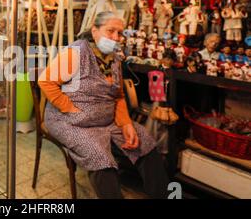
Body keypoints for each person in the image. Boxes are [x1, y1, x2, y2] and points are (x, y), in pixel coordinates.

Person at [38, 12, 169, 199]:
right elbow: (46, 81)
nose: (116, 37)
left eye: (119, 33)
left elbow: (119, 95)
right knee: (101, 159)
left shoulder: (114, 57)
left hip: (107, 119)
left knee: (145, 142)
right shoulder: (76, 53)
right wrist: (69, 108)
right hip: (71, 121)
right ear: (95, 30)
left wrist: (126, 124)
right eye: (110, 31)